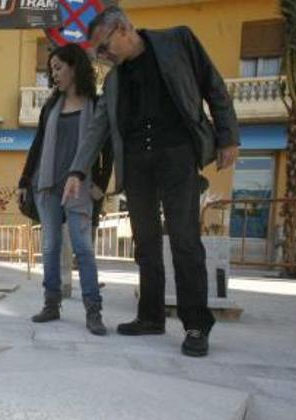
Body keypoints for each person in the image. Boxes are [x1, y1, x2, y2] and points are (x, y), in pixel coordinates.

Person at [65, 6, 240, 356]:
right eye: (97, 52)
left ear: (124, 28)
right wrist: (77, 171)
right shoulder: (113, 80)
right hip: (136, 164)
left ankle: (195, 325)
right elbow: (98, 127)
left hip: (178, 155)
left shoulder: (178, 40)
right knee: (145, 242)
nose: (102, 57)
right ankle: (150, 316)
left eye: (104, 47)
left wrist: (228, 136)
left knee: (184, 241)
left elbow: (213, 85)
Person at [18, 43, 113, 336]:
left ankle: (93, 310)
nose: (54, 74)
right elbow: (37, 145)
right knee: (50, 248)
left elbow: (106, 148)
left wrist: (100, 182)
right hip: (45, 186)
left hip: (80, 188)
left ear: (75, 67)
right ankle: (51, 303)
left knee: (84, 250)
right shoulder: (51, 106)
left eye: (58, 67)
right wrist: (24, 181)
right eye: (51, 69)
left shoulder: (96, 105)